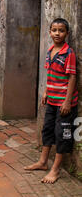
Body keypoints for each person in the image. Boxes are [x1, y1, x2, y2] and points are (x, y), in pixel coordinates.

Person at [24, 18, 78, 184]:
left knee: (61, 135)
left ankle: (55, 170)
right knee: (47, 130)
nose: (57, 33)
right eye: (54, 30)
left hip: (64, 105)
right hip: (52, 102)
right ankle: (42, 162)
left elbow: (72, 77)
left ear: (67, 34)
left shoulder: (68, 54)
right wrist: (46, 91)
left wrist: (67, 102)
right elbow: (51, 74)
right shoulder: (50, 51)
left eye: (61, 30)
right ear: (49, 32)